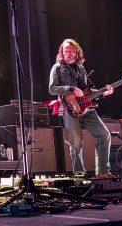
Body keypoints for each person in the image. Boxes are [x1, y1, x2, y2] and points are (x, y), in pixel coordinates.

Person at [48, 39, 115, 178]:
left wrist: (103, 92)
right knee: (76, 143)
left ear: (77, 52)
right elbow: (52, 89)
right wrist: (71, 88)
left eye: (71, 51)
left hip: (87, 108)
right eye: (66, 50)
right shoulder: (57, 68)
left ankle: (103, 172)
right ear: (61, 52)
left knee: (104, 135)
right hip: (70, 109)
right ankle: (80, 176)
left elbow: (86, 91)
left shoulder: (81, 68)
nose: (68, 53)